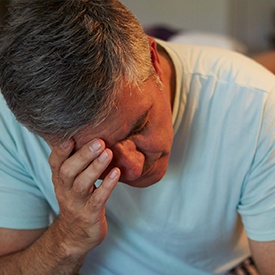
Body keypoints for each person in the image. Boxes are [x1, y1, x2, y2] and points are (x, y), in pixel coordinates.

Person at [0, 0, 274, 274]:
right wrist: (69, 237)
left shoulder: (257, 105)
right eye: (94, 154)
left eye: (139, 125)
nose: (134, 167)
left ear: (153, 61)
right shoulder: (10, 123)